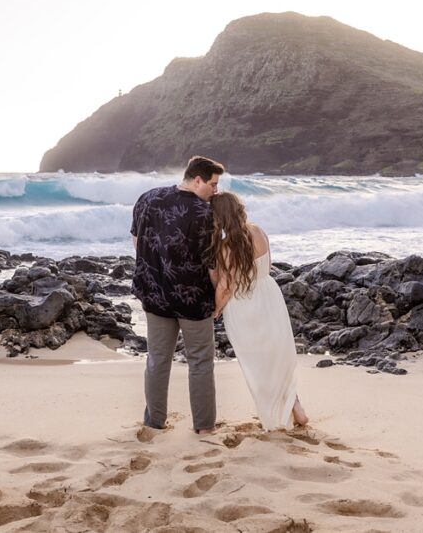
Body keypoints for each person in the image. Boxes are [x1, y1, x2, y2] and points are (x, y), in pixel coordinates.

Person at [131, 155, 225, 435]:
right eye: (213, 184)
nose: (216, 191)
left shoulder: (147, 198)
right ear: (197, 180)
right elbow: (212, 266)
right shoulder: (205, 214)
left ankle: (154, 422)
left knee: (157, 359)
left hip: (154, 292)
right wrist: (218, 300)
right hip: (193, 298)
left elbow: (137, 241)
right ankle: (204, 427)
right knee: (200, 361)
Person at [209, 191, 308, 431]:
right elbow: (265, 265)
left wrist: (216, 310)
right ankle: (294, 405)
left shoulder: (226, 247)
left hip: (244, 303)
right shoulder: (259, 231)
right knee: (275, 356)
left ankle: (273, 417)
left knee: (256, 361)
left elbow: (226, 285)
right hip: (269, 296)